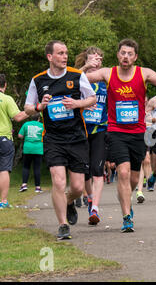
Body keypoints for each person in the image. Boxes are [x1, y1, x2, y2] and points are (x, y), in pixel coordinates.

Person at [86, 38, 156, 233]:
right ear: (118, 55)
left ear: (135, 57)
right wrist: (87, 66)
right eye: (122, 53)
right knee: (124, 173)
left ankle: (127, 201)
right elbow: (79, 80)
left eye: (129, 54)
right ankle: (127, 217)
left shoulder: (144, 73)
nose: (125, 56)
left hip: (137, 133)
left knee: (134, 179)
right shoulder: (108, 73)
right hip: (116, 131)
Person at [25, 40, 96, 240]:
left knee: (77, 187)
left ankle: (67, 201)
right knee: (58, 181)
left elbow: (91, 98)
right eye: (60, 53)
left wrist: (77, 103)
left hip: (76, 137)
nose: (65, 56)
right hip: (53, 139)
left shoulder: (77, 75)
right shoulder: (38, 80)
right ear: (50, 57)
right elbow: (28, 107)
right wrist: (40, 107)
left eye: (66, 53)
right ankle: (63, 225)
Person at [74, 46, 108, 226]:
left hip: (100, 130)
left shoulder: (106, 80)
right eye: (92, 58)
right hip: (81, 131)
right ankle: (89, 199)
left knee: (97, 171)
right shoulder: (80, 78)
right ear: (86, 59)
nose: (96, 62)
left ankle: (95, 207)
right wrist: (86, 67)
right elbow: (67, 82)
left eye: (99, 59)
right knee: (84, 172)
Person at [0, 74, 29, 209]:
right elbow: (18, 117)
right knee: (4, 169)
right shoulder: (6, 99)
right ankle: (3, 201)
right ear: (5, 85)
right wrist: (33, 109)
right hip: (3, 138)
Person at [18, 114, 44, 193]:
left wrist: (26, 136)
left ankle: (24, 185)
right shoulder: (42, 125)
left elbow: (20, 136)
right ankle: (38, 187)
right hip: (38, 149)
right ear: (38, 118)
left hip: (28, 148)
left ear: (31, 118)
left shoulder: (26, 124)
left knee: (26, 167)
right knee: (37, 168)